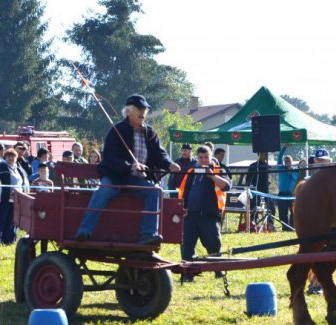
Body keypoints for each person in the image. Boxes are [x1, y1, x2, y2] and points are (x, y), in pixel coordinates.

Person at [74, 94, 180, 244]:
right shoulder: (117, 130)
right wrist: (129, 166)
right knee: (103, 190)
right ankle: (84, 231)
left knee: (154, 191)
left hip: (137, 180)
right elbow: (109, 158)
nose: (143, 112)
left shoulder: (150, 133)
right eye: (140, 109)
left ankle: (148, 234)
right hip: (115, 177)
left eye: (145, 109)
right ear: (129, 111)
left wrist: (169, 164)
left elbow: (159, 154)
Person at [177, 145, 231, 282]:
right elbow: (184, 192)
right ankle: (187, 273)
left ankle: (218, 272)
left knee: (214, 245)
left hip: (209, 216)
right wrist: (182, 208)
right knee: (187, 246)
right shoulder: (191, 171)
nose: (203, 160)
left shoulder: (219, 170)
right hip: (190, 215)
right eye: (200, 157)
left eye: (206, 157)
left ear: (211, 156)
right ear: (197, 158)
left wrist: (212, 176)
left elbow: (226, 186)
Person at [0, 149, 29, 245]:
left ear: (16, 158)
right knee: (1, 219)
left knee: (11, 221)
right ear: (5, 157)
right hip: (4, 198)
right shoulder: (1, 167)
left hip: (16, 199)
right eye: (8, 156)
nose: (11, 158)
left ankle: (7, 240)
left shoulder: (19, 168)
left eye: (13, 156)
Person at [246, 152, 274, 230]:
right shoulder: (254, 165)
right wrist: (248, 187)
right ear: (259, 155)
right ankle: (253, 224)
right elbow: (248, 178)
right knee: (254, 207)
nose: (265, 156)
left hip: (265, 190)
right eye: (263, 154)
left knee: (271, 206)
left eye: (265, 154)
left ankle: (270, 224)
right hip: (255, 190)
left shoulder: (267, 165)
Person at [277, 152, 299, 230]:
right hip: (282, 194)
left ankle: (292, 227)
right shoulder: (281, 168)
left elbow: (296, 178)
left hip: (292, 194)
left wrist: (291, 170)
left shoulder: (296, 171)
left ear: (292, 162)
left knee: (294, 213)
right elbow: (279, 157)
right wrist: (284, 148)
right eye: (286, 161)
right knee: (283, 213)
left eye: (289, 161)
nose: (287, 162)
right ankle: (285, 227)